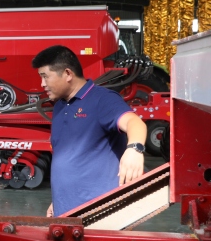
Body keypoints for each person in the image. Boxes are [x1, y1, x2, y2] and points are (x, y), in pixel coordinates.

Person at [32, 45, 146, 217]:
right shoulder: (60, 106)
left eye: (45, 76)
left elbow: (134, 122)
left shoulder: (102, 99)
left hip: (99, 214)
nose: (42, 84)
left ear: (68, 74)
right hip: (65, 210)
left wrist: (135, 149)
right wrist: (58, 199)